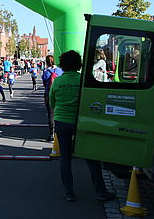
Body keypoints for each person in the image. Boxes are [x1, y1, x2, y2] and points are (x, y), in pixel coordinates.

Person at [49, 50, 115, 202]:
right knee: (91, 156)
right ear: (79, 64)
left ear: (63, 65)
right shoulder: (84, 79)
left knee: (65, 158)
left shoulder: (58, 81)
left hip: (62, 121)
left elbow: (52, 102)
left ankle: (68, 192)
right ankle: (100, 191)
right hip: (81, 122)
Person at [42, 55, 63, 141]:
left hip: (49, 94)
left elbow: (44, 83)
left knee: (51, 114)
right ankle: (59, 132)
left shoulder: (46, 71)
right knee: (60, 114)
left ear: (46, 62)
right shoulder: (60, 70)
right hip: (59, 94)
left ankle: (51, 134)